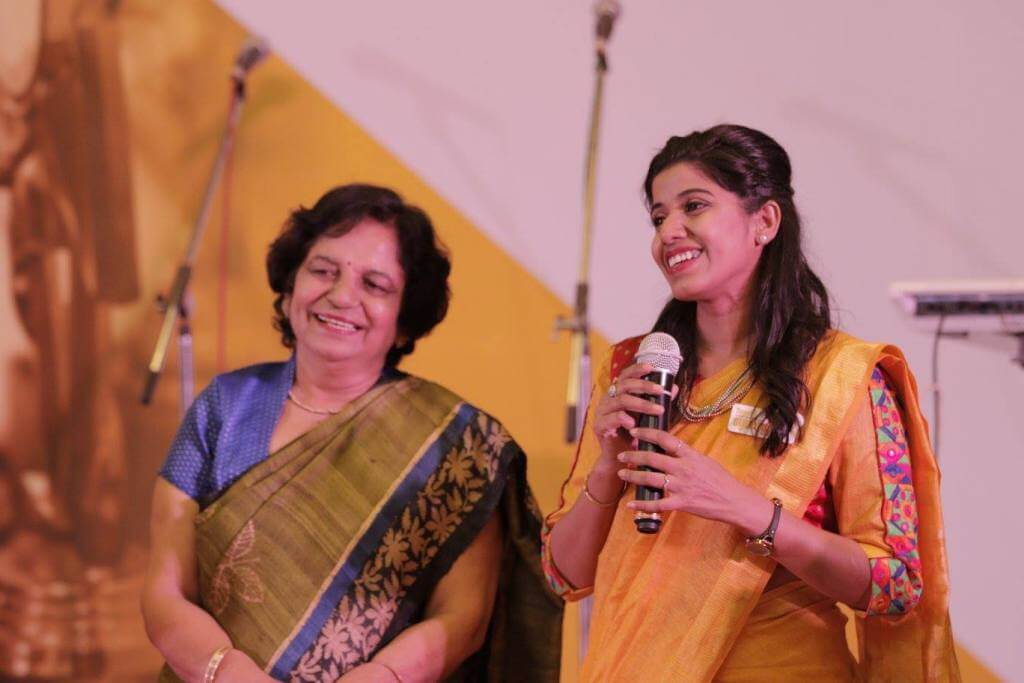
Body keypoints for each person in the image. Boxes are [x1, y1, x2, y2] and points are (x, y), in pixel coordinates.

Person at [541, 125, 959, 681]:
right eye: (659, 217)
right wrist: (607, 466)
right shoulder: (631, 369)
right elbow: (563, 575)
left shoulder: (842, 378)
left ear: (765, 221)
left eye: (694, 206)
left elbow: (896, 585)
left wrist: (747, 510)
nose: (669, 231)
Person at [142, 184, 561, 682]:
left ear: (404, 321)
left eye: (375, 285)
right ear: (290, 286)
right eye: (323, 271)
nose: (341, 296)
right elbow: (166, 591)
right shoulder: (225, 408)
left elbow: (462, 619)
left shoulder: (456, 444)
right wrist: (228, 672)